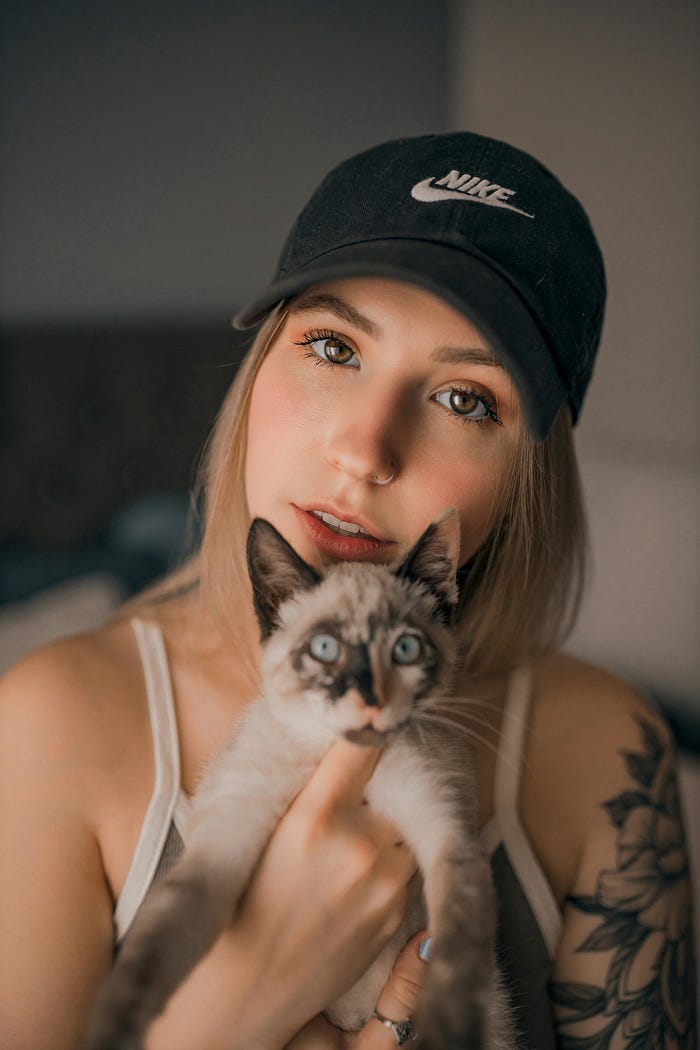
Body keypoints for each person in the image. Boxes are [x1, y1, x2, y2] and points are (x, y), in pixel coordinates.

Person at [0, 132, 695, 1050]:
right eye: (332, 346)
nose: (366, 451)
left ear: (528, 478)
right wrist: (229, 1010)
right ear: (259, 368)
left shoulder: (609, 749)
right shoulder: (44, 726)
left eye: (465, 399)